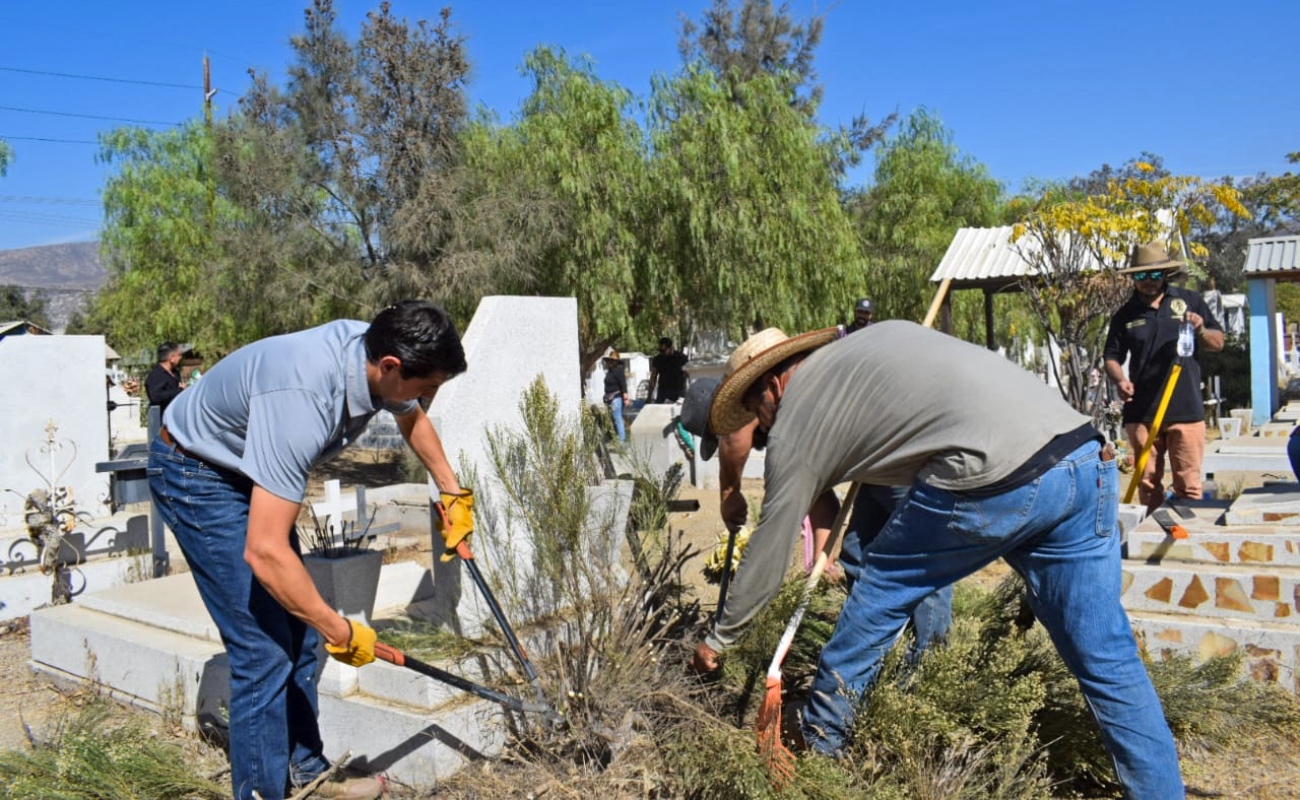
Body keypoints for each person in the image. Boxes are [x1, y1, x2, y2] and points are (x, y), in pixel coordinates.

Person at [691, 323, 1183, 799]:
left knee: (879, 591)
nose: (762, 425)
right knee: (1107, 659)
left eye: (756, 410)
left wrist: (721, 637)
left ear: (773, 385)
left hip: (994, 477)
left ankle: (820, 762)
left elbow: (772, 542)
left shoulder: (796, 413)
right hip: (1083, 458)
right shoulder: (873, 344)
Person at [148, 300, 473, 800]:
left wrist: (449, 490)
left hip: (241, 467)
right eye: (426, 387)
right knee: (262, 648)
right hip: (197, 472)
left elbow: (412, 418)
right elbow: (264, 552)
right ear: (390, 367)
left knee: (298, 637)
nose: (424, 399)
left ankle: (303, 771)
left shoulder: (382, 352)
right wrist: (338, 627)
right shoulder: (304, 398)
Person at [1104, 242, 1224, 511]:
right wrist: (1119, 379)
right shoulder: (1125, 315)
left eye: (1155, 275)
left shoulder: (1190, 301)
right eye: (1142, 275)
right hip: (1142, 412)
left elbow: (1218, 343)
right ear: (1133, 278)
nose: (1149, 281)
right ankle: (1155, 534)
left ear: (1165, 274)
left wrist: (1201, 329)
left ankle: (1187, 538)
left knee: (1189, 484)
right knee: (1147, 482)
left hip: (1186, 409)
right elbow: (1110, 356)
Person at [145, 341, 185, 413]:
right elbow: (156, 397)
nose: (180, 357)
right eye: (179, 355)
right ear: (171, 358)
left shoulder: (175, 372)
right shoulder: (156, 376)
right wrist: (179, 391)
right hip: (162, 419)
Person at [647, 337, 690, 403]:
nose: (662, 353)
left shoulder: (681, 358)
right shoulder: (657, 359)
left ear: (671, 348)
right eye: (660, 351)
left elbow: (688, 375)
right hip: (663, 392)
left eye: (663, 350)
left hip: (678, 391)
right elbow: (653, 378)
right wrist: (649, 396)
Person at [602, 349, 630, 444]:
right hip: (609, 399)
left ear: (616, 362)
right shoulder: (609, 372)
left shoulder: (618, 371)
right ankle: (615, 439)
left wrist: (625, 398)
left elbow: (623, 385)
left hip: (616, 398)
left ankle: (621, 441)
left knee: (618, 419)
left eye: (612, 361)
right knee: (613, 419)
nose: (610, 362)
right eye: (609, 360)